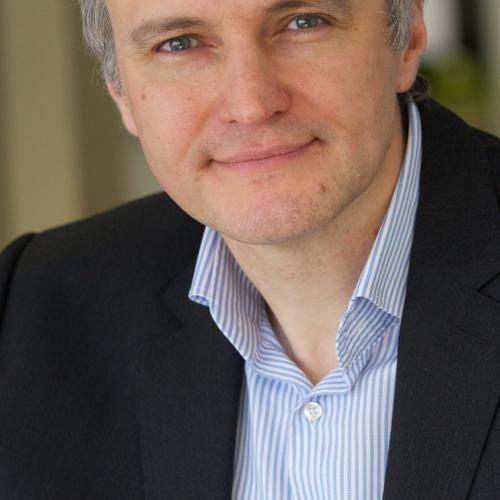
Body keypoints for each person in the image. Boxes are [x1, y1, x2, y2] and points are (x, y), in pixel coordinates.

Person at [0, 0, 499, 498]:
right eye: (179, 44)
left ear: (407, 36)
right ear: (121, 92)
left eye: (304, 22)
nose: (251, 106)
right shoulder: (31, 315)